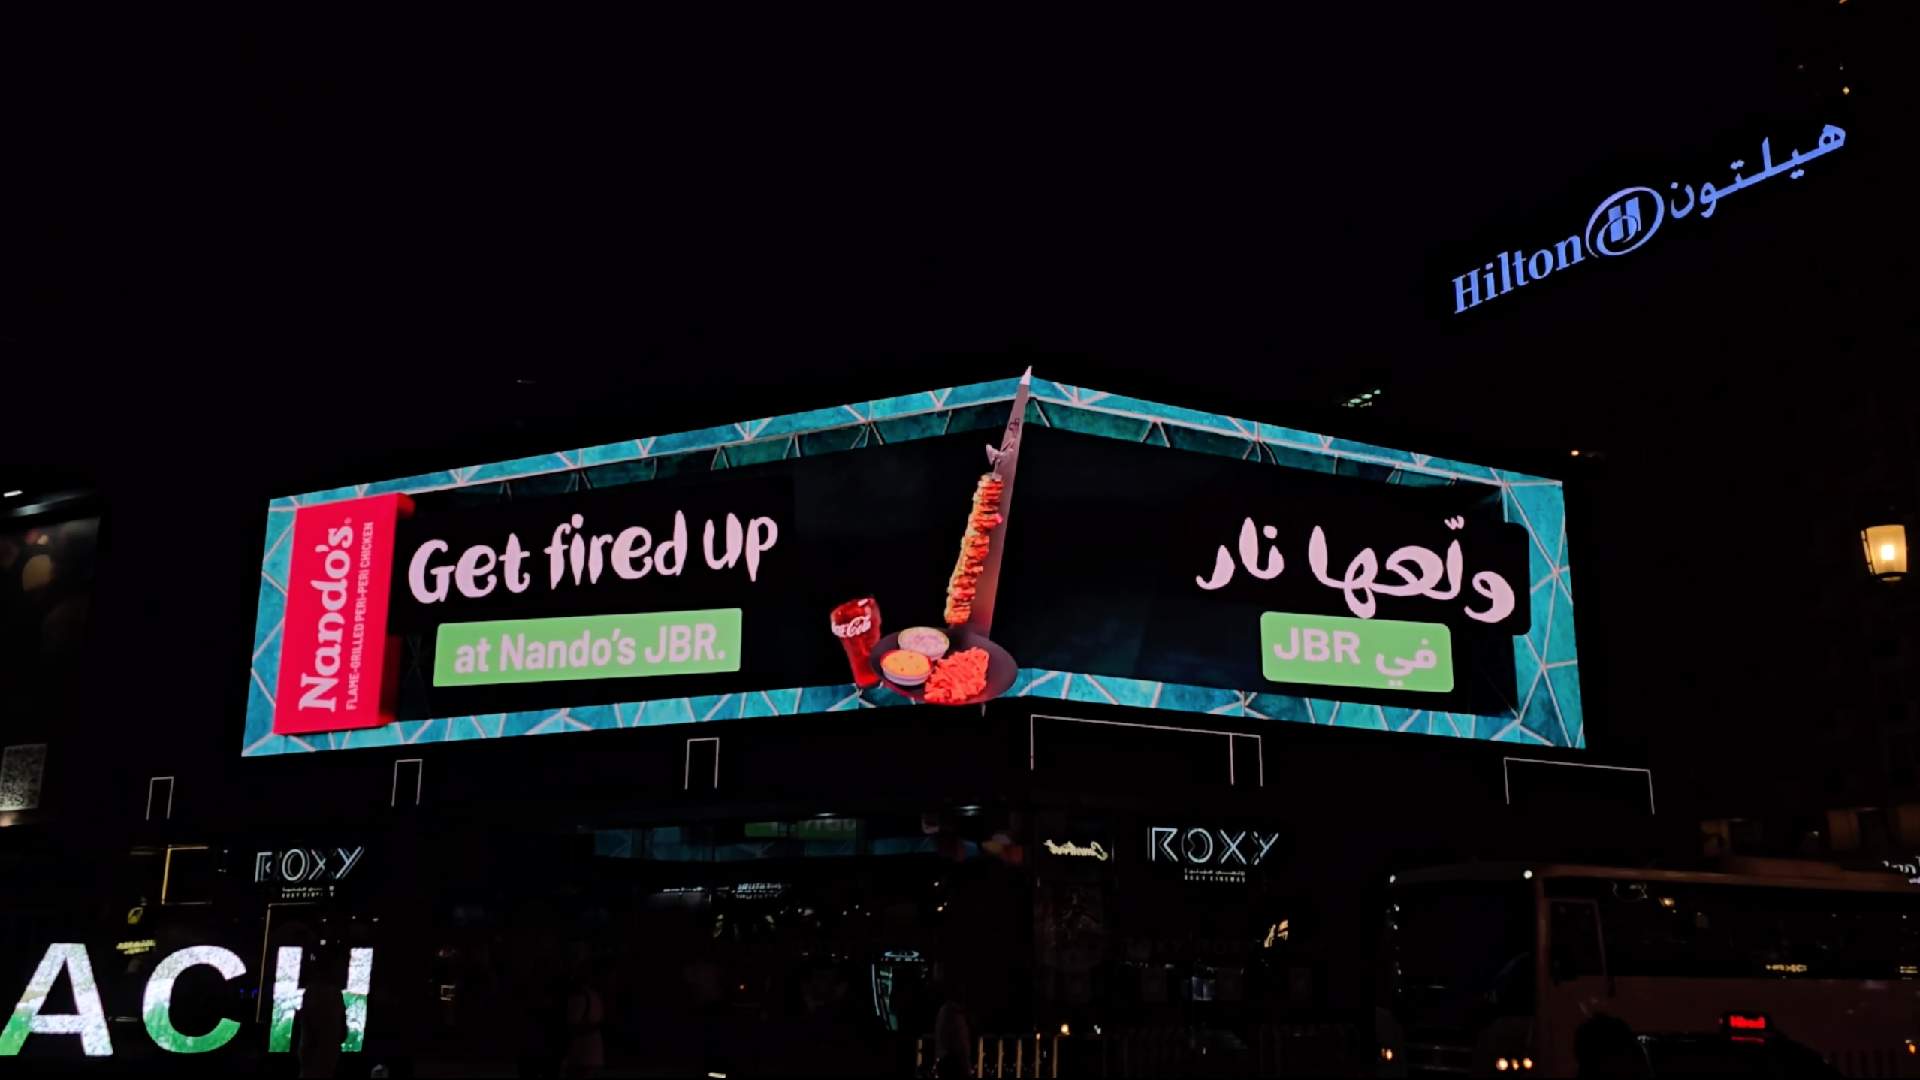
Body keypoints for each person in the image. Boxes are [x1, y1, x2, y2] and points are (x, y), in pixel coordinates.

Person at [562, 960, 606, 1079]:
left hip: (581, 1055)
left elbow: (572, 1026)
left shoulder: (579, 996)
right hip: (594, 1055)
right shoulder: (595, 996)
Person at [933, 982, 972, 1078]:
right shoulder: (955, 1014)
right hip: (954, 1063)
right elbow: (962, 1044)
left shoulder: (945, 1011)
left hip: (946, 1061)